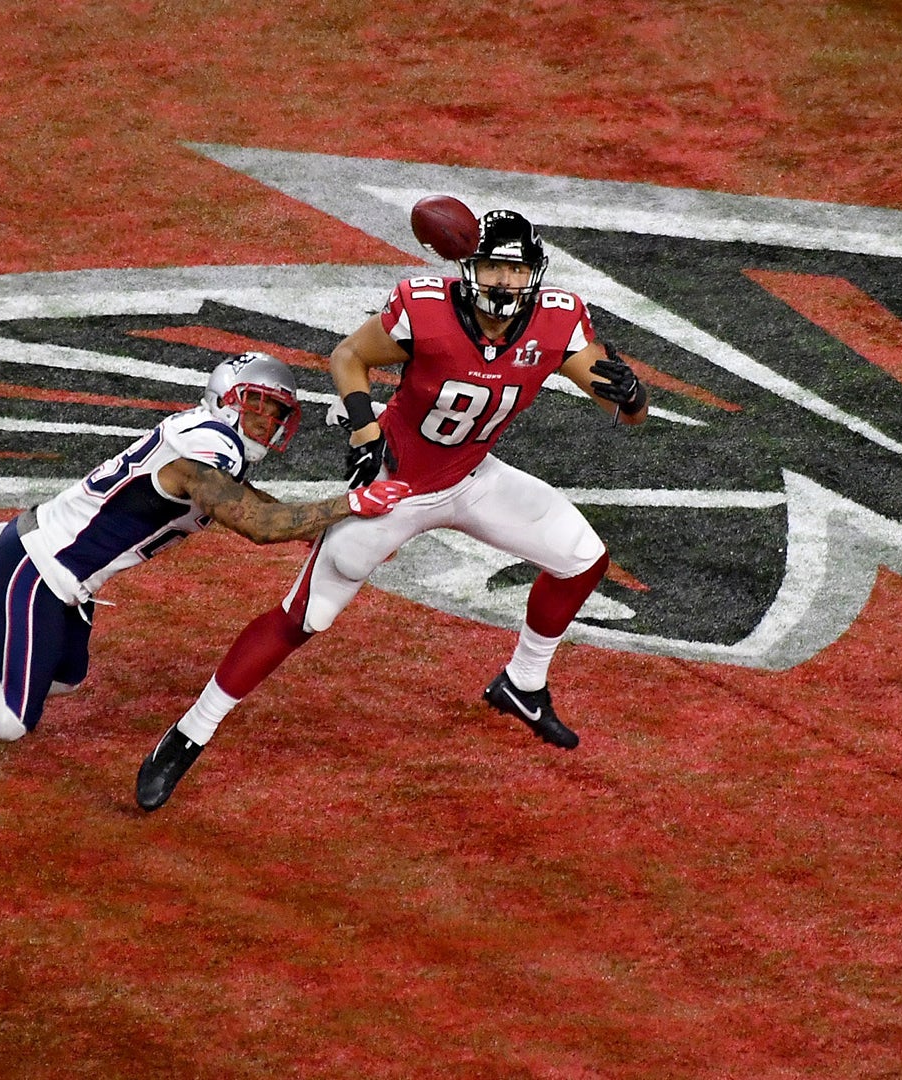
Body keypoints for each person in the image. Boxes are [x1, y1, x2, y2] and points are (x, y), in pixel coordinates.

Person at [136, 209, 649, 810]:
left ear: (534, 272)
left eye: (516, 269)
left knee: (583, 559)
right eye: (493, 266)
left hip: (473, 474)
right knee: (303, 617)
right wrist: (363, 428)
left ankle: (522, 683)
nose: (505, 281)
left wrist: (633, 398)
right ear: (469, 267)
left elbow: (624, 407)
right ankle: (189, 734)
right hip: (395, 484)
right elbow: (349, 355)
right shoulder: (424, 308)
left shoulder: (560, 320)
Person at [0, 352, 412, 760]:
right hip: (43, 568)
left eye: (278, 413)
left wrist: (326, 524)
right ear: (228, 401)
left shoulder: (210, 439)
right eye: (260, 406)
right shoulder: (207, 448)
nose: (271, 422)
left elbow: (251, 503)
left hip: (56, 562)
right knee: (14, 721)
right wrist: (351, 504)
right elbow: (258, 524)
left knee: (63, 676)